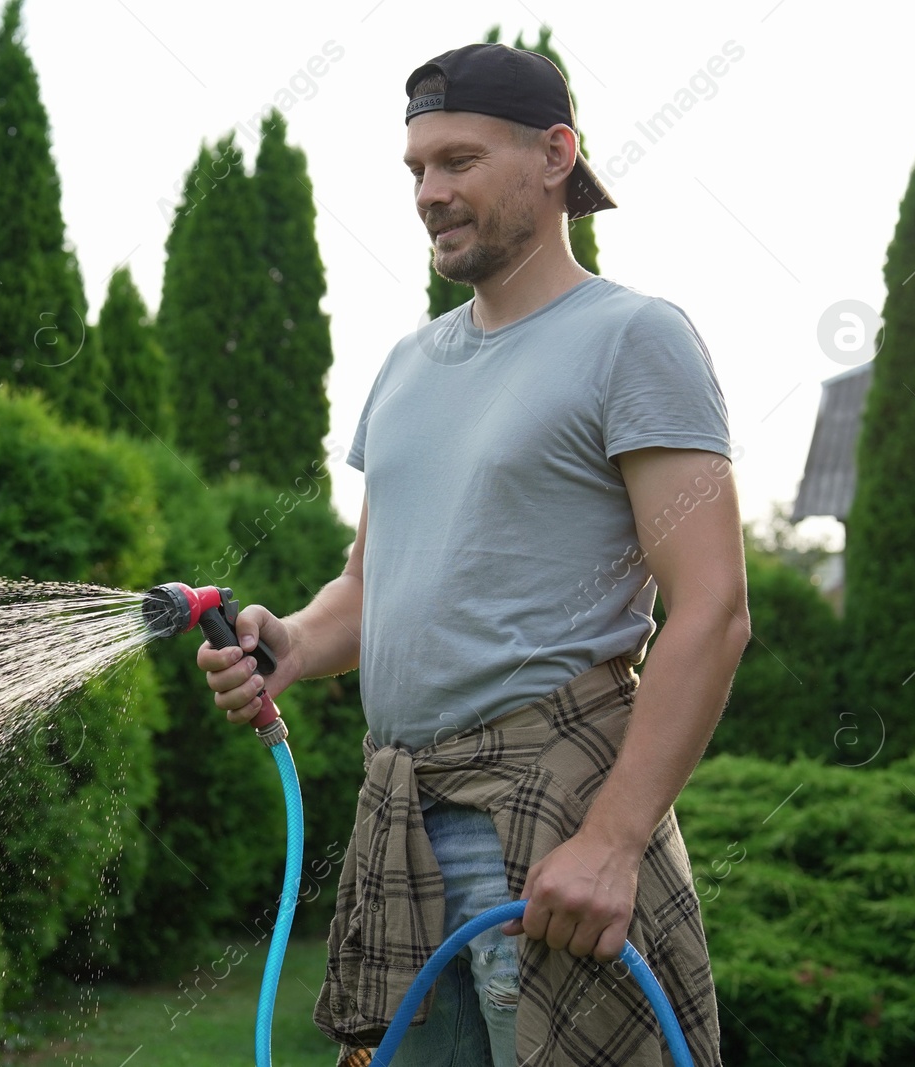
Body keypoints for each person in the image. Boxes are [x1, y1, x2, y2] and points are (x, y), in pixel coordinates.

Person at [199, 42, 744, 1067]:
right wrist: (293, 641)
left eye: (456, 161)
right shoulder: (410, 362)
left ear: (554, 155)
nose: (429, 193)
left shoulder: (634, 337)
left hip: (548, 822)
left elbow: (712, 610)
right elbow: (371, 582)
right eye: (415, 170)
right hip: (398, 821)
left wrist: (615, 840)